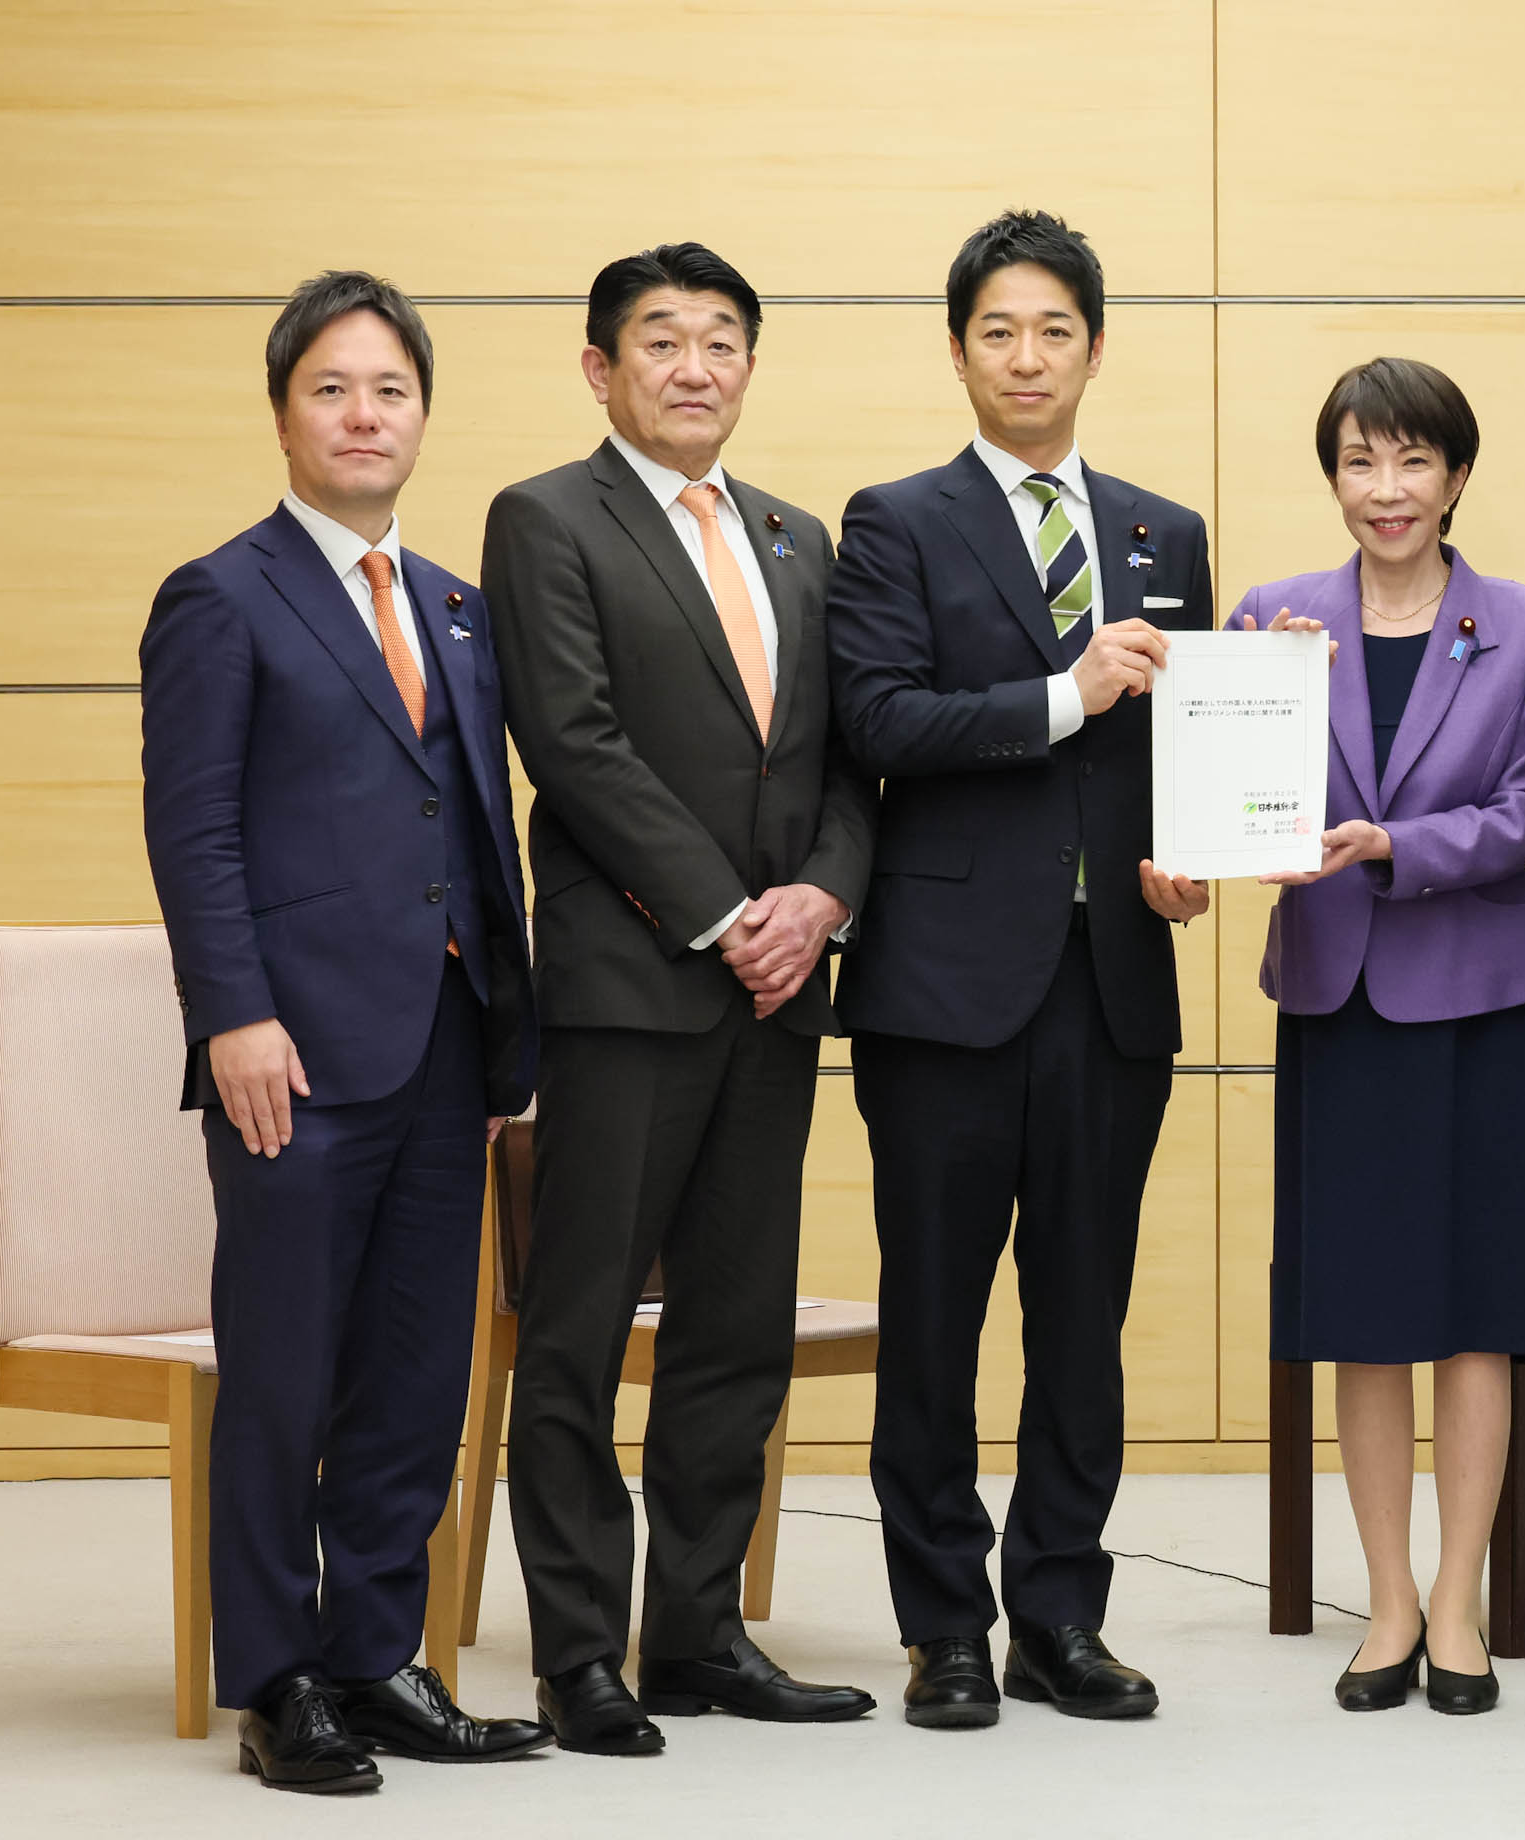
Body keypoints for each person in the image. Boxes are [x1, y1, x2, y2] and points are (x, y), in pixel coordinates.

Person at [140, 271, 548, 1792]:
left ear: (422, 415)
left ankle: (380, 1658)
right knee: (285, 1373)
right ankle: (276, 1681)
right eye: (332, 387)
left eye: (390, 389)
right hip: (292, 1058)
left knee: (413, 1375)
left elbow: (476, 821)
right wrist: (229, 1014)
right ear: (282, 412)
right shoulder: (220, 595)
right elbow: (194, 833)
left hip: (446, 1042)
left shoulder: (453, 601)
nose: (364, 413)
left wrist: (514, 1030)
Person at [482, 243, 879, 1754]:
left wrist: (821, 903)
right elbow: (575, 748)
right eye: (663, 341)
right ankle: (581, 1654)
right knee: (578, 1330)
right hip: (627, 991)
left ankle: (701, 1634)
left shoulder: (794, 537)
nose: (697, 366)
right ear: (603, 369)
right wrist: (726, 916)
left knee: (735, 1330)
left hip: (777, 993)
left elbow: (848, 757)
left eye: (723, 341)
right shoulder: (546, 519)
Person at [826, 210, 1212, 1729]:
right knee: (933, 1316)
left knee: (1082, 1317)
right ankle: (944, 1625)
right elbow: (881, 723)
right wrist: (1063, 695)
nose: (1029, 355)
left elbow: (1179, 744)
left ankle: (1059, 1609)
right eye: (1000, 330)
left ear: (1095, 347)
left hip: (1111, 982)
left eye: (1056, 329)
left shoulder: (1162, 531)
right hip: (941, 988)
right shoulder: (895, 521)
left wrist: (1192, 856)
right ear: (960, 350)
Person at [1243, 358, 1525, 1716]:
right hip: (1338, 1003)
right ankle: (1385, 1601)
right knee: (1364, 1318)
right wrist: (1211, 853)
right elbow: (1232, 790)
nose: (1387, 491)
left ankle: (1460, 1602)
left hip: (1479, 1000)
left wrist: (1401, 845)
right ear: (1333, 475)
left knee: (1476, 1319)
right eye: (1360, 463)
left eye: (1414, 463)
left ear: (1456, 475)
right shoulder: (1273, 618)